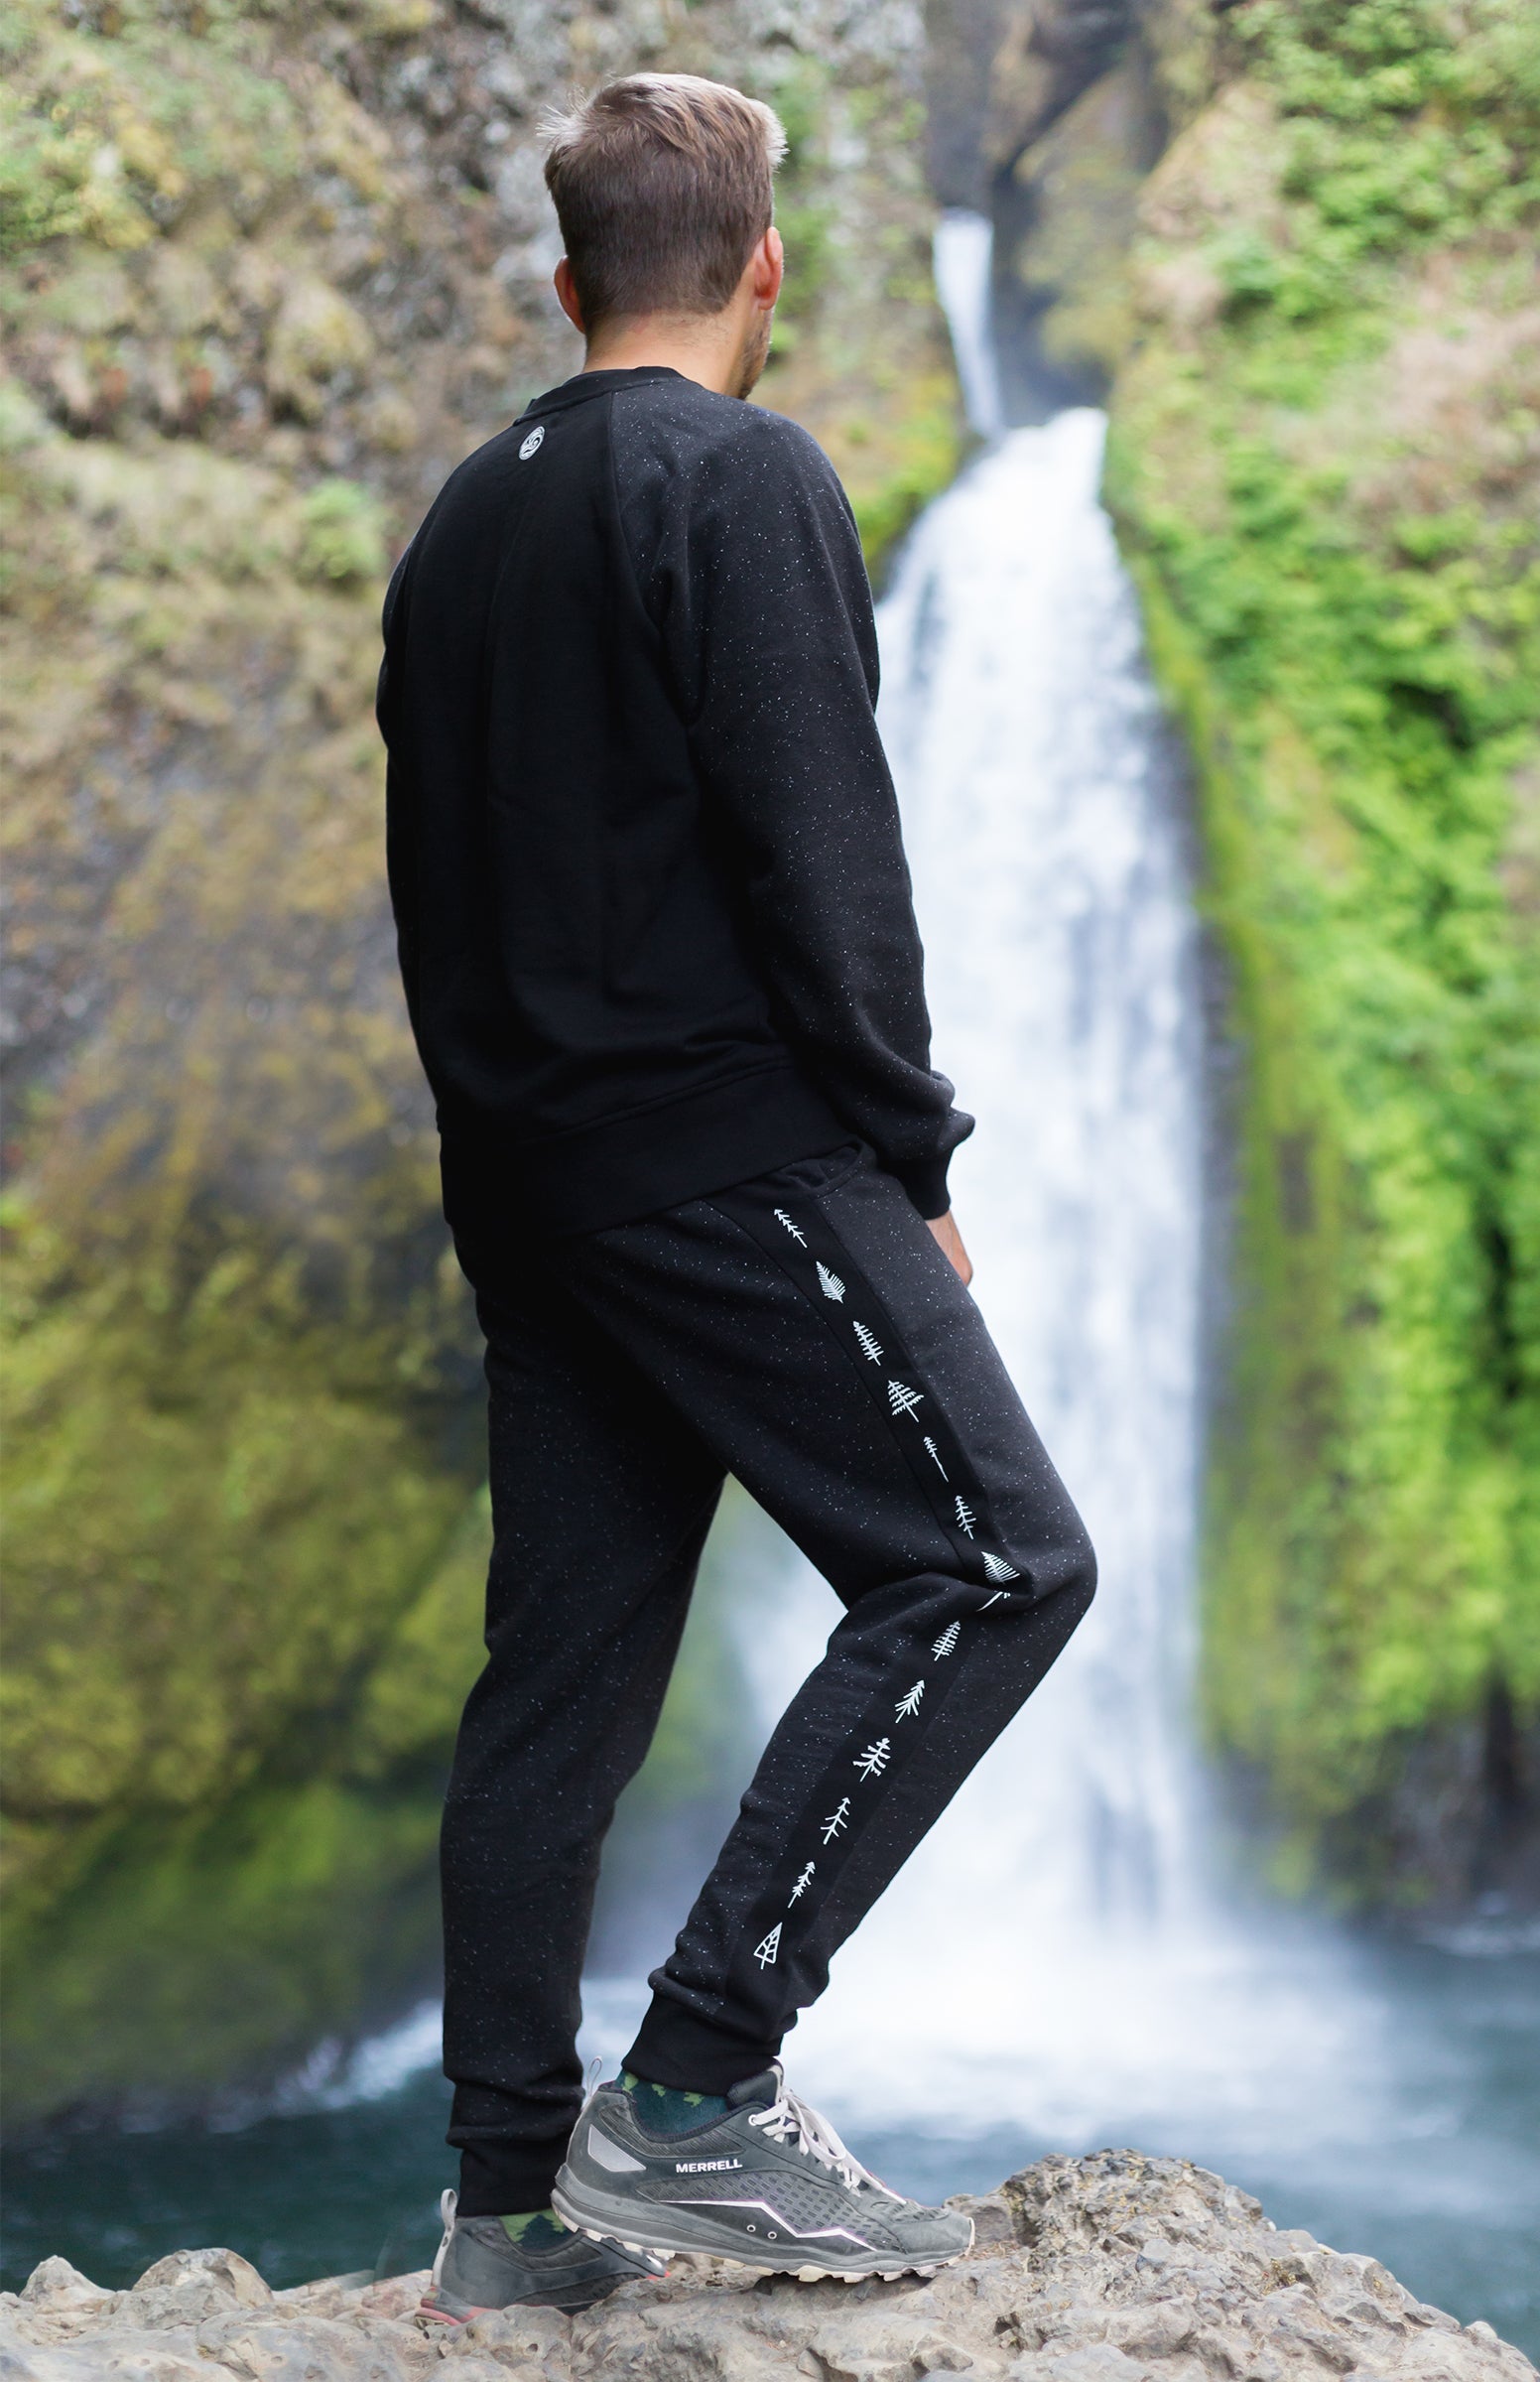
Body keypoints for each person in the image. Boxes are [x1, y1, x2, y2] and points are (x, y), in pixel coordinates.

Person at [377, 69, 1096, 2325]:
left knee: (558, 1689)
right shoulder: (743, 471)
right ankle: (696, 2088)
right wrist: (911, 1148)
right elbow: (824, 847)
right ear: (763, 267)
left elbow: (435, 876)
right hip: (721, 1150)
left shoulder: (461, 521)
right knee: (994, 1564)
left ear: (566, 279)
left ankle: (505, 2217)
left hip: (538, 1181)